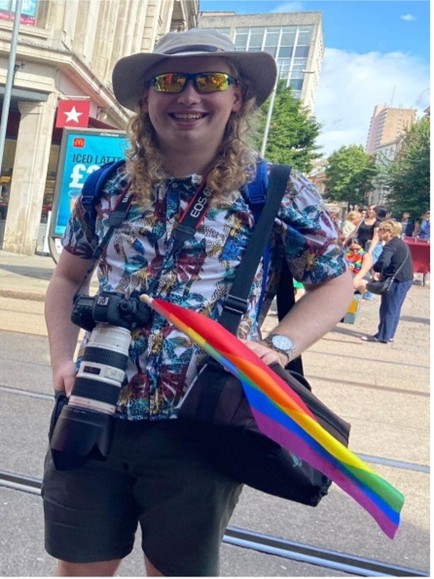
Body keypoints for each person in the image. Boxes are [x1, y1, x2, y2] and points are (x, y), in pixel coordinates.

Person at [42, 28, 353, 577]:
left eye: (210, 80)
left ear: (237, 98)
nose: (188, 96)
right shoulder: (108, 185)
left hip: (201, 427)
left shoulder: (278, 189)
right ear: (145, 99)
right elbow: (67, 278)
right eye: (169, 81)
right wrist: (63, 361)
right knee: (79, 570)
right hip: (94, 410)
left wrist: (276, 346)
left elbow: (335, 283)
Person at [360, 220, 413, 343]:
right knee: (395, 308)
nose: (378, 232)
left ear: (389, 232)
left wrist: (377, 269)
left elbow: (384, 261)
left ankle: (382, 336)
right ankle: (389, 334)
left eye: (381, 230)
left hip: (397, 280)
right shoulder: (400, 243)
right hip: (405, 279)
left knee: (388, 308)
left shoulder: (390, 245)